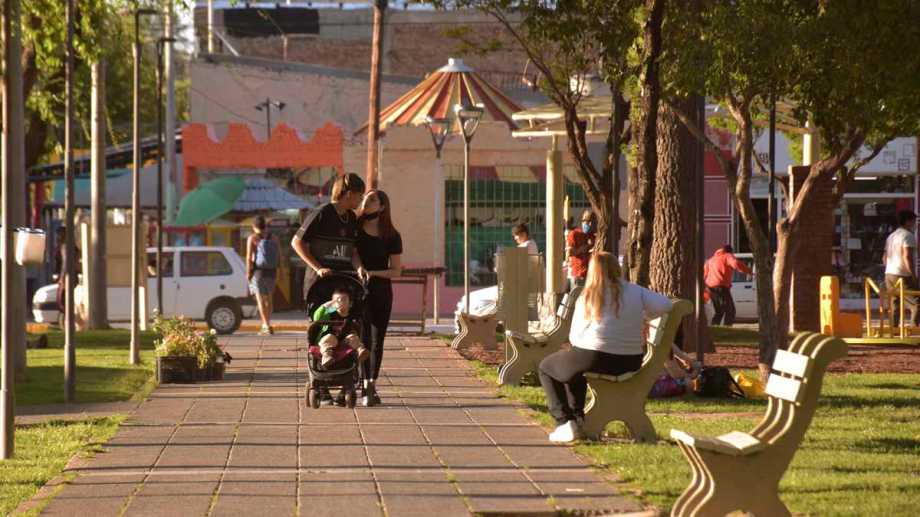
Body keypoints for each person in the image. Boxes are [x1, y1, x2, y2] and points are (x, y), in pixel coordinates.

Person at [538, 251, 672, 443]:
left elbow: (574, 336)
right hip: (630, 361)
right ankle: (577, 419)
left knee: (547, 367)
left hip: (594, 357)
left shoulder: (588, 295)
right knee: (572, 366)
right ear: (617, 268)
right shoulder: (636, 291)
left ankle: (565, 422)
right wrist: (644, 316)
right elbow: (665, 304)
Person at [291, 172, 369, 311]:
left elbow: (352, 251)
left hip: (342, 285)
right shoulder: (321, 212)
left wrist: (359, 268)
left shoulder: (352, 217)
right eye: (360, 195)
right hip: (319, 284)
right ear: (349, 194)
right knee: (322, 322)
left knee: (344, 322)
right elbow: (296, 242)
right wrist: (319, 268)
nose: (361, 200)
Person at [356, 190, 403, 406]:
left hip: (381, 291)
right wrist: (360, 267)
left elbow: (396, 271)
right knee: (362, 338)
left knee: (377, 340)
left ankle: (370, 385)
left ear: (382, 207)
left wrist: (373, 273)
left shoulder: (391, 235)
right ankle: (361, 383)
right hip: (358, 290)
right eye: (365, 197)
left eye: (373, 199)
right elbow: (352, 253)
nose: (366, 200)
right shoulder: (355, 228)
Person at [312, 287, 368, 367]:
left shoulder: (352, 316)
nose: (340, 302)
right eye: (337, 300)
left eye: (343, 300)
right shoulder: (329, 314)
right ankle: (327, 356)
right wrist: (325, 306)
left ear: (350, 304)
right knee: (328, 338)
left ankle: (360, 350)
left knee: (353, 337)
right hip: (331, 339)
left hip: (345, 341)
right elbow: (317, 318)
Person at [246, 216, 280, 335]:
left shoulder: (253, 238)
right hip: (272, 271)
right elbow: (279, 255)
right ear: (265, 226)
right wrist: (279, 271)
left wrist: (248, 273)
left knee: (260, 299)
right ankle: (268, 322)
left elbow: (249, 257)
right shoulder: (274, 238)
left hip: (258, 272)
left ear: (254, 226)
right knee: (269, 298)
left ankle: (265, 325)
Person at [703, 244, 752, 327]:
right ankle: (727, 328)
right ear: (730, 251)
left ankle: (715, 328)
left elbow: (704, 275)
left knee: (719, 311)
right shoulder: (727, 256)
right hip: (721, 287)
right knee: (730, 310)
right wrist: (749, 271)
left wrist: (705, 291)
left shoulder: (711, 260)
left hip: (710, 288)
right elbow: (736, 263)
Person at [884, 210, 918, 327]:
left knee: (895, 303)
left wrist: (889, 269)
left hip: (889, 273)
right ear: (908, 221)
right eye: (913, 222)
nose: (914, 225)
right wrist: (913, 275)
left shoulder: (891, 236)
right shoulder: (908, 236)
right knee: (916, 303)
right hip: (902, 274)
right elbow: (907, 256)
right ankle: (914, 328)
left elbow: (884, 257)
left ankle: (893, 329)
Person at [566, 210, 596, 289]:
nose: (590, 224)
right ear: (582, 221)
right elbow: (569, 252)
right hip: (579, 275)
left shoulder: (593, 236)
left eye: (592, 222)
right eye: (587, 221)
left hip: (591, 275)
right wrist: (584, 248)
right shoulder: (574, 234)